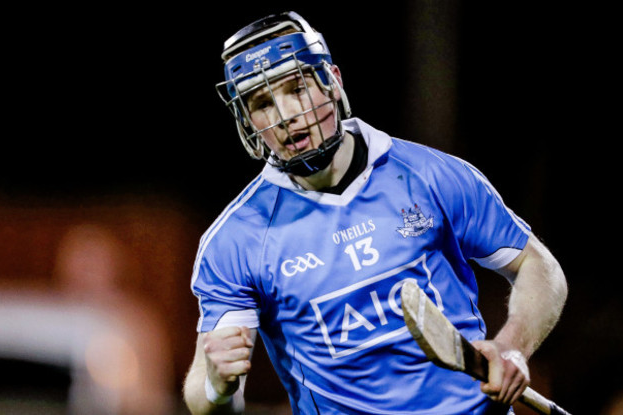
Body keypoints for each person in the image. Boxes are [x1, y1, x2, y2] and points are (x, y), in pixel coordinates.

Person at [183, 11, 568, 415]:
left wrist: (513, 348)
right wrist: (217, 384)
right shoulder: (235, 239)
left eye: (296, 88)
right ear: (247, 122)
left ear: (333, 80)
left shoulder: (430, 175)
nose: (284, 116)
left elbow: (538, 266)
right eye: (262, 104)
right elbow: (201, 395)